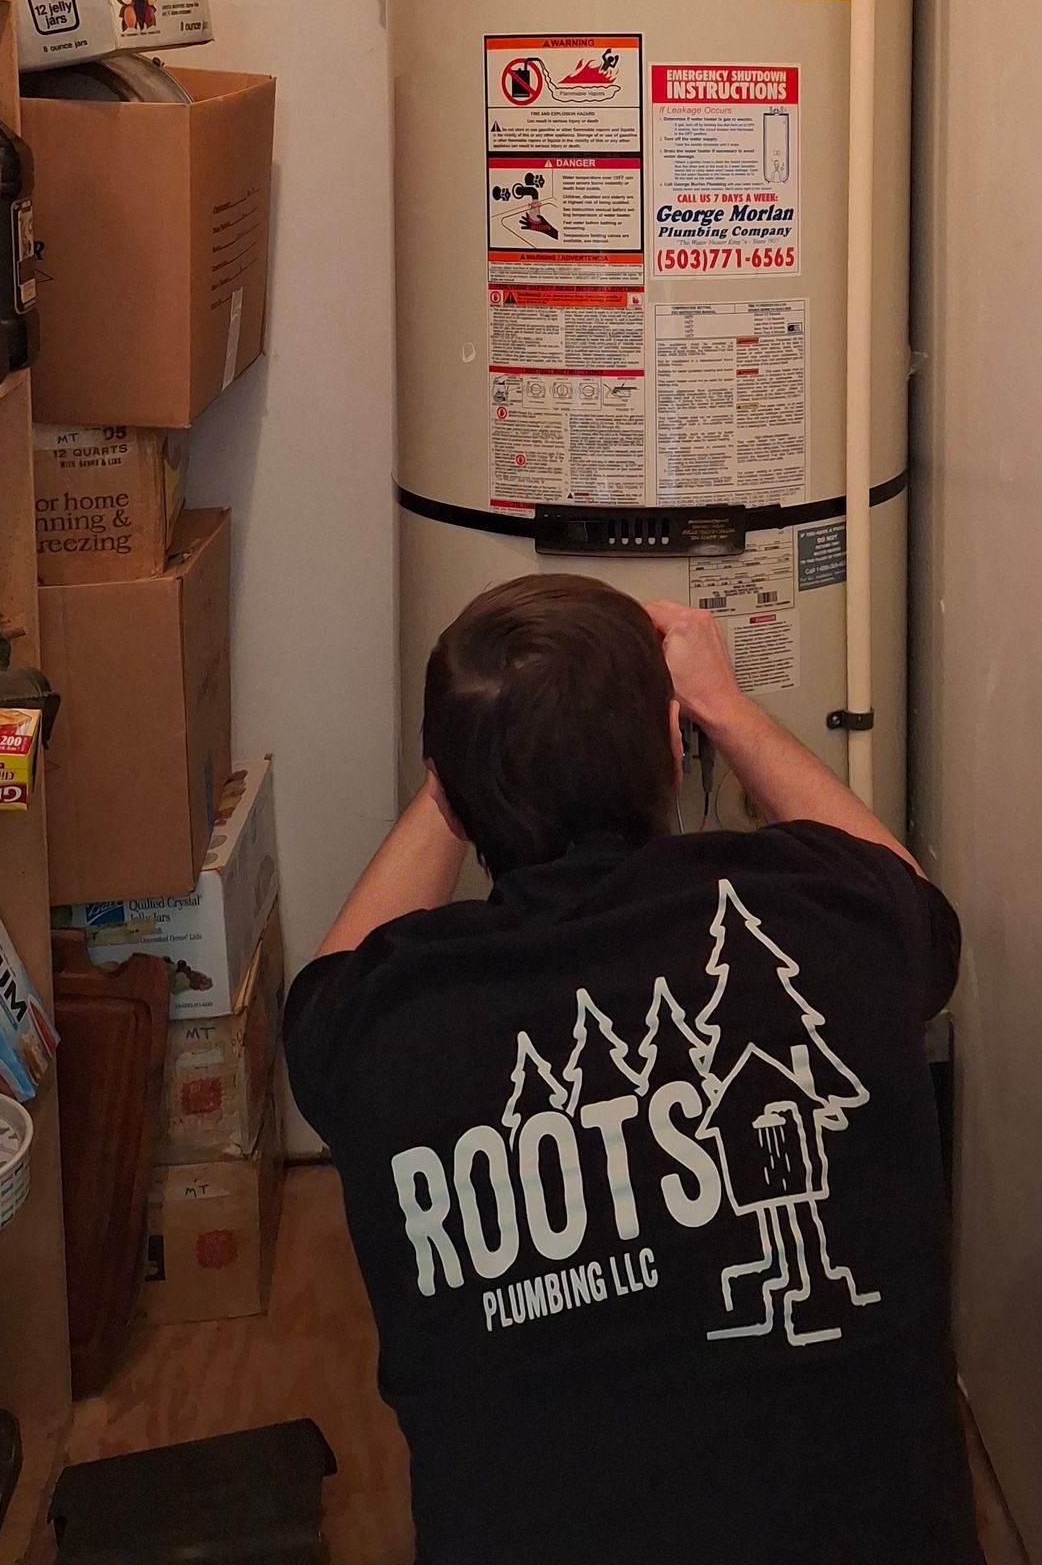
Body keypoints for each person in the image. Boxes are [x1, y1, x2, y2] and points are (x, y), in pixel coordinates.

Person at [284, 573, 980, 1565]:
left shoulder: (389, 1024)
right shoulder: (818, 915)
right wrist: (725, 705)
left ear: (446, 783)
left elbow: (320, 986)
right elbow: (922, 911)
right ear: (670, 742)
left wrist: (466, 764)